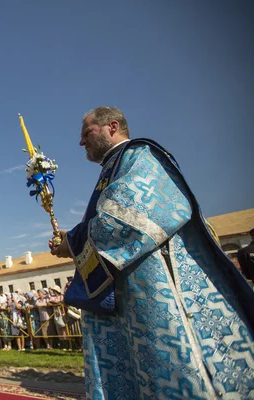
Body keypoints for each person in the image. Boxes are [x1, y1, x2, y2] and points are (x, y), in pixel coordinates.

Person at [50, 106, 254, 399]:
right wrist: (73, 242)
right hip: (133, 293)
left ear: (112, 126)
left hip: (161, 288)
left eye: (86, 133)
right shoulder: (113, 167)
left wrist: (73, 241)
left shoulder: (140, 156)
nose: (81, 142)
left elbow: (128, 216)